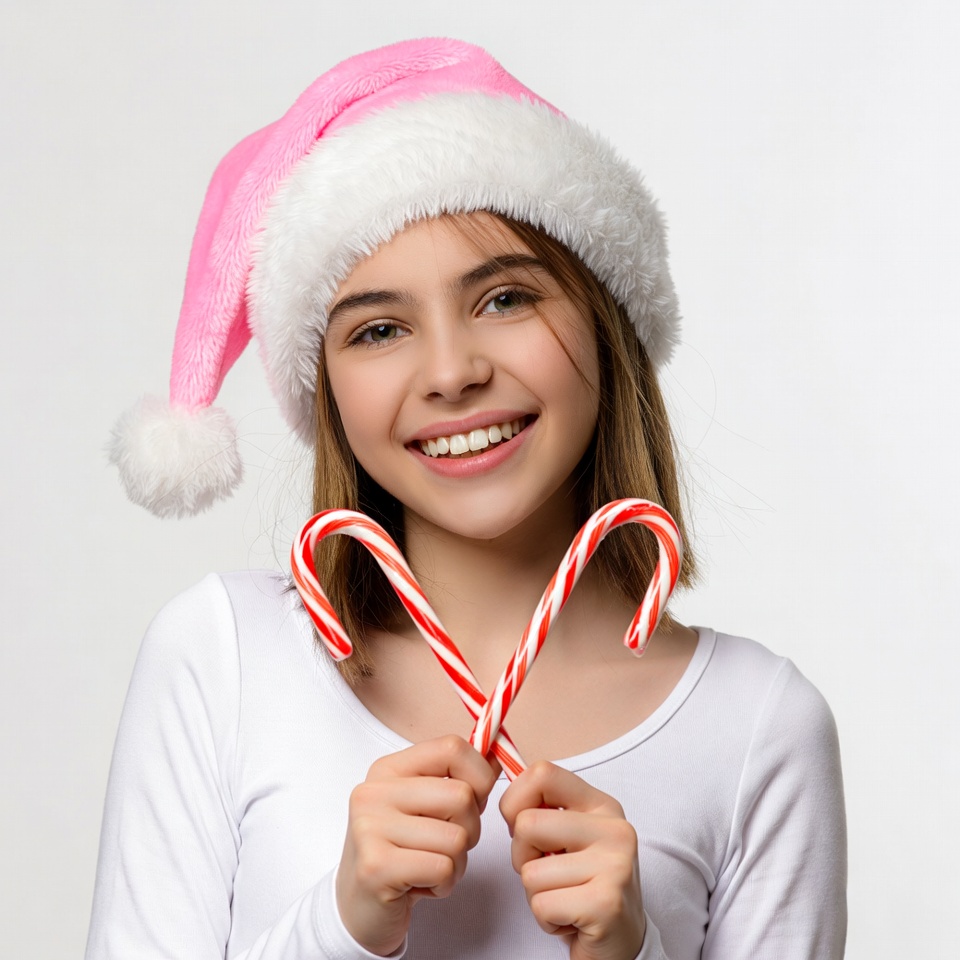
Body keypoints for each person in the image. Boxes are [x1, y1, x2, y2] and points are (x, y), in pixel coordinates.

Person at [90, 39, 847, 960]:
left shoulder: (761, 726)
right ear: (328, 389)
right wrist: (342, 925)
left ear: (604, 321)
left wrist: (630, 953)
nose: (451, 373)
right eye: (378, 328)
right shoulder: (221, 660)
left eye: (504, 299)